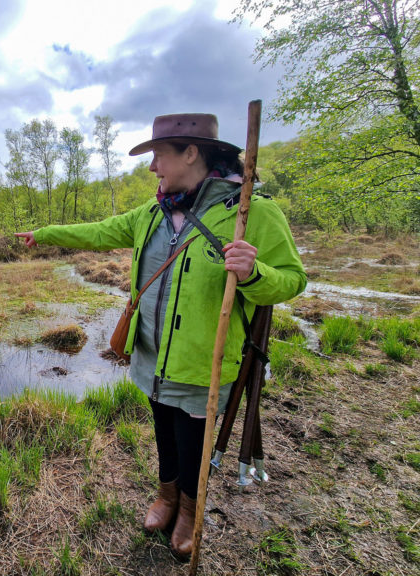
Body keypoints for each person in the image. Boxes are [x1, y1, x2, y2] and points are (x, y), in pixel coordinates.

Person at [15, 112, 306, 560]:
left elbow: (291, 280)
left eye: (159, 156)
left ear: (191, 153)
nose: (153, 168)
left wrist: (253, 273)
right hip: (150, 355)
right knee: (163, 433)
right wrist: (46, 233)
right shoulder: (152, 213)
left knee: (192, 443)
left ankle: (189, 510)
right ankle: (166, 498)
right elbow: (97, 231)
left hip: (202, 361)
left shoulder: (252, 213)